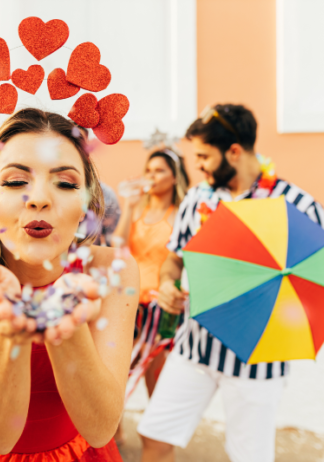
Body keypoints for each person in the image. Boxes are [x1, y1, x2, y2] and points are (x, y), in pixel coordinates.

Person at [0, 108, 139, 461]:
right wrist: (7, 329)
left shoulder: (113, 271)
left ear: (85, 207)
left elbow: (100, 428)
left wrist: (65, 322)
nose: (39, 198)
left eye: (65, 183)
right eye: (16, 182)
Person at [138, 104, 324, 462]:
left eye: (204, 156)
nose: (199, 166)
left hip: (258, 364)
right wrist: (167, 283)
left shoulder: (298, 205)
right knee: (155, 438)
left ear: (234, 151)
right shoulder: (198, 198)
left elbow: (319, 278)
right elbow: (174, 258)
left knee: (249, 458)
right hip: (194, 347)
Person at [113, 147, 189, 444]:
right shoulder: (138, 209)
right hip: (130, 303)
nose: (151, 176)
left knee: (156, 377)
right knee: (117, 373)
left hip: (162, 307)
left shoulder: (181, 213)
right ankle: (112, 437)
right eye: (149, 170)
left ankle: (158, 444)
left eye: (159, 171)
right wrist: (129, 206)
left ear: (174, 177)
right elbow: (117, 247)